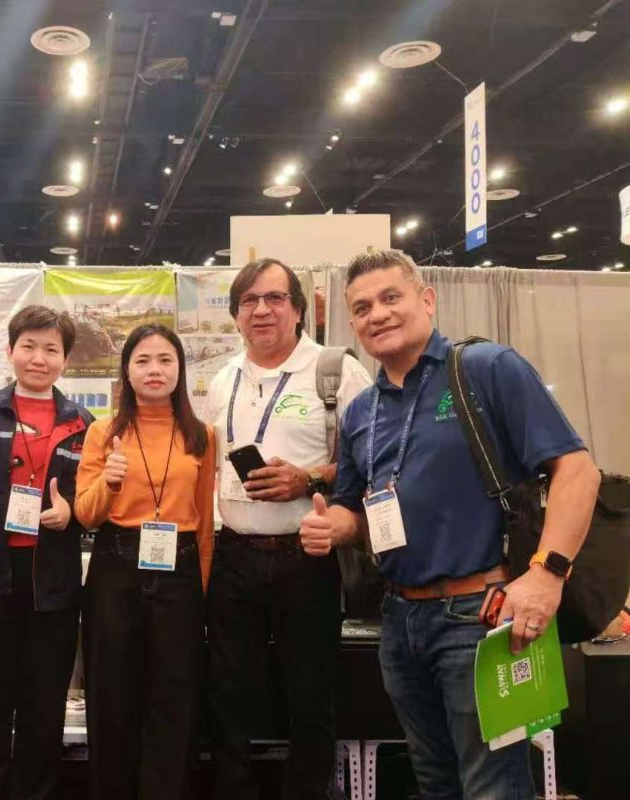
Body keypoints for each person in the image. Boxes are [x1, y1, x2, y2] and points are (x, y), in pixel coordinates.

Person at [301, 249, 600, 798]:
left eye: (391, 297)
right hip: (399, 621)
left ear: (427, 299)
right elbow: (354, 510)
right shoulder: (362, 411)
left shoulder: (484, 368)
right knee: (434, 783)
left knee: (493, 787)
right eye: (362, 307)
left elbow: (577, 471)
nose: (377, 314)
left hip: (482, 616)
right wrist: (333, 527)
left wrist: (547, 573)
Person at [201, 258, 372, 800]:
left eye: (275, 298)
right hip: (234, 555)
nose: (262, 310)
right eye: (249, 301)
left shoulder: (336, 371)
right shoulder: (223, 379)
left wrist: (308, 478)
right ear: (235, 315)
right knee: (229, 691)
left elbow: (373, 460)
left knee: (310, 694)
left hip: (308, 555)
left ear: (298, 309)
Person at [74, 324, 216, 800]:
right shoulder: (103, 432)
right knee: (112, 698)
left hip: (179, 571)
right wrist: (110, 482)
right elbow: (86, 513)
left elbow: (205, 522)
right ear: (127, 371)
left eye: (165, 360)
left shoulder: (201, 436)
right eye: (143, 360)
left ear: (180, 369)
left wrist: (202, 592)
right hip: (115, 567)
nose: (154, 369)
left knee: (173, 701)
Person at [0, 305, 94, 800]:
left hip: (52, 581)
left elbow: (93, 493)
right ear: (10, 350)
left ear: (65, 359)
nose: (39, 358)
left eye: (51, 349)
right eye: (29, 346)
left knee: (44, 707)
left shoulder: (84, 423)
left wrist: (71, 509)